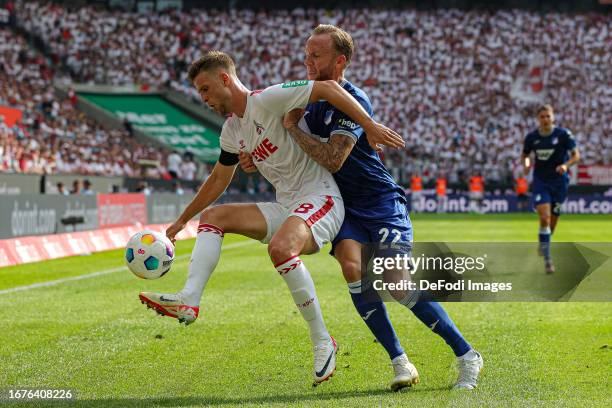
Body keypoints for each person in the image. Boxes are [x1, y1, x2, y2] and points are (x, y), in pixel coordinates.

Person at [139, 51, 404, 384]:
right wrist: (182, 221)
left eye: (205, 89)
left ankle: (323, 340)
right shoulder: (232, 131)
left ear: (225, 79)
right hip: (289, 206)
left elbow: (331, 90)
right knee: (214, 216)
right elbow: (220, 178)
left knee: (280, 249)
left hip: (321, 198)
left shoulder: (269, 98)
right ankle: (189, 300)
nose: (203, 98)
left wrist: (369, 125)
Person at [241, 25, 482, 390]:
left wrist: (293, 129)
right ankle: (401, 362)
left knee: (396, 282)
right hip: (340, 207)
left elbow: (333, 159)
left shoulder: (352, 99)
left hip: (380, 202)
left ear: (340, 61)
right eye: (305, 53)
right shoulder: (299, 98)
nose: (307, 61)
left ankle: (467, 355)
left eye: (316, 55)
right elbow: (270, 135)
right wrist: (252, 156)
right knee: (353, 269)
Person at [521, 104, 580, 273]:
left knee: (552, 223)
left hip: (559, 182)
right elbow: (525, 155)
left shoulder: (563, 135)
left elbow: (576, 155)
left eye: (548, 116)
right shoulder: (532, 137)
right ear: (538, 119)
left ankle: (544, 241)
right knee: (545, 217)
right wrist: (526, 165)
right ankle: (548, 260)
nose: (545, 119)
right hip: (541, 181)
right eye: (542, 117)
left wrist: (566, 165)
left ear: (553, 117)